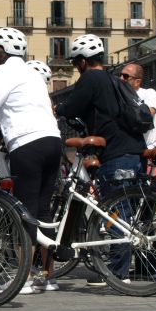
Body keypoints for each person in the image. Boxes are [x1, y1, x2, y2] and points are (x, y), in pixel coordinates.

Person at [0, 30, 62, 295]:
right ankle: (48, 277)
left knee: (25, 212)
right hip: (52, 140)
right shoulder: (31, 74)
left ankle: (22, 279)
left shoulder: (2, 73)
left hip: (27, 144)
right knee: (43, 210)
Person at [55, 34, 146, 286]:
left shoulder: (91, 78)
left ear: (83, 61)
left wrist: (56, 110)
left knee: (116, 212)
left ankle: (118, 273)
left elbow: (72, 107)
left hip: (116, 153)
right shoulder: (111, 79)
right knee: (125, 210)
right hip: (134, 150)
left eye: (76, 63)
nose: (76, 68)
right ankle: (123, 267)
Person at [120, 63, 156, 149]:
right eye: (120, 75)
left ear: (137, 82)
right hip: (125, 149)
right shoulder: (117, 96)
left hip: (147, 148)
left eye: (125, 76)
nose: (121, 78)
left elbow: (148, 114)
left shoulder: (148, 93)